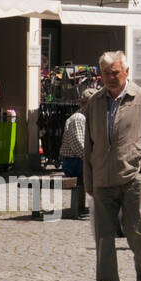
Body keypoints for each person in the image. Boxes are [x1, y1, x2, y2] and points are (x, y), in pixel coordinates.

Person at [83, 51, 141, 281]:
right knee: (103, 235)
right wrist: (89, 181)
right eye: (106, 73)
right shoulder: (95, 102)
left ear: (126, 72)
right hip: (103, 180)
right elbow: (89, 145)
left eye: (115, 72)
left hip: (133, 177)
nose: (110, 77)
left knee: (136, 230)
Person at [58, 87, 97, 219]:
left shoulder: (89, 118)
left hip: (79, 160)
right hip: (73, 162)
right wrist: (95, 161)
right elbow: (80, 147)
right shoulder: (79, 118)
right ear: (85, 104)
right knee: (102, 173)